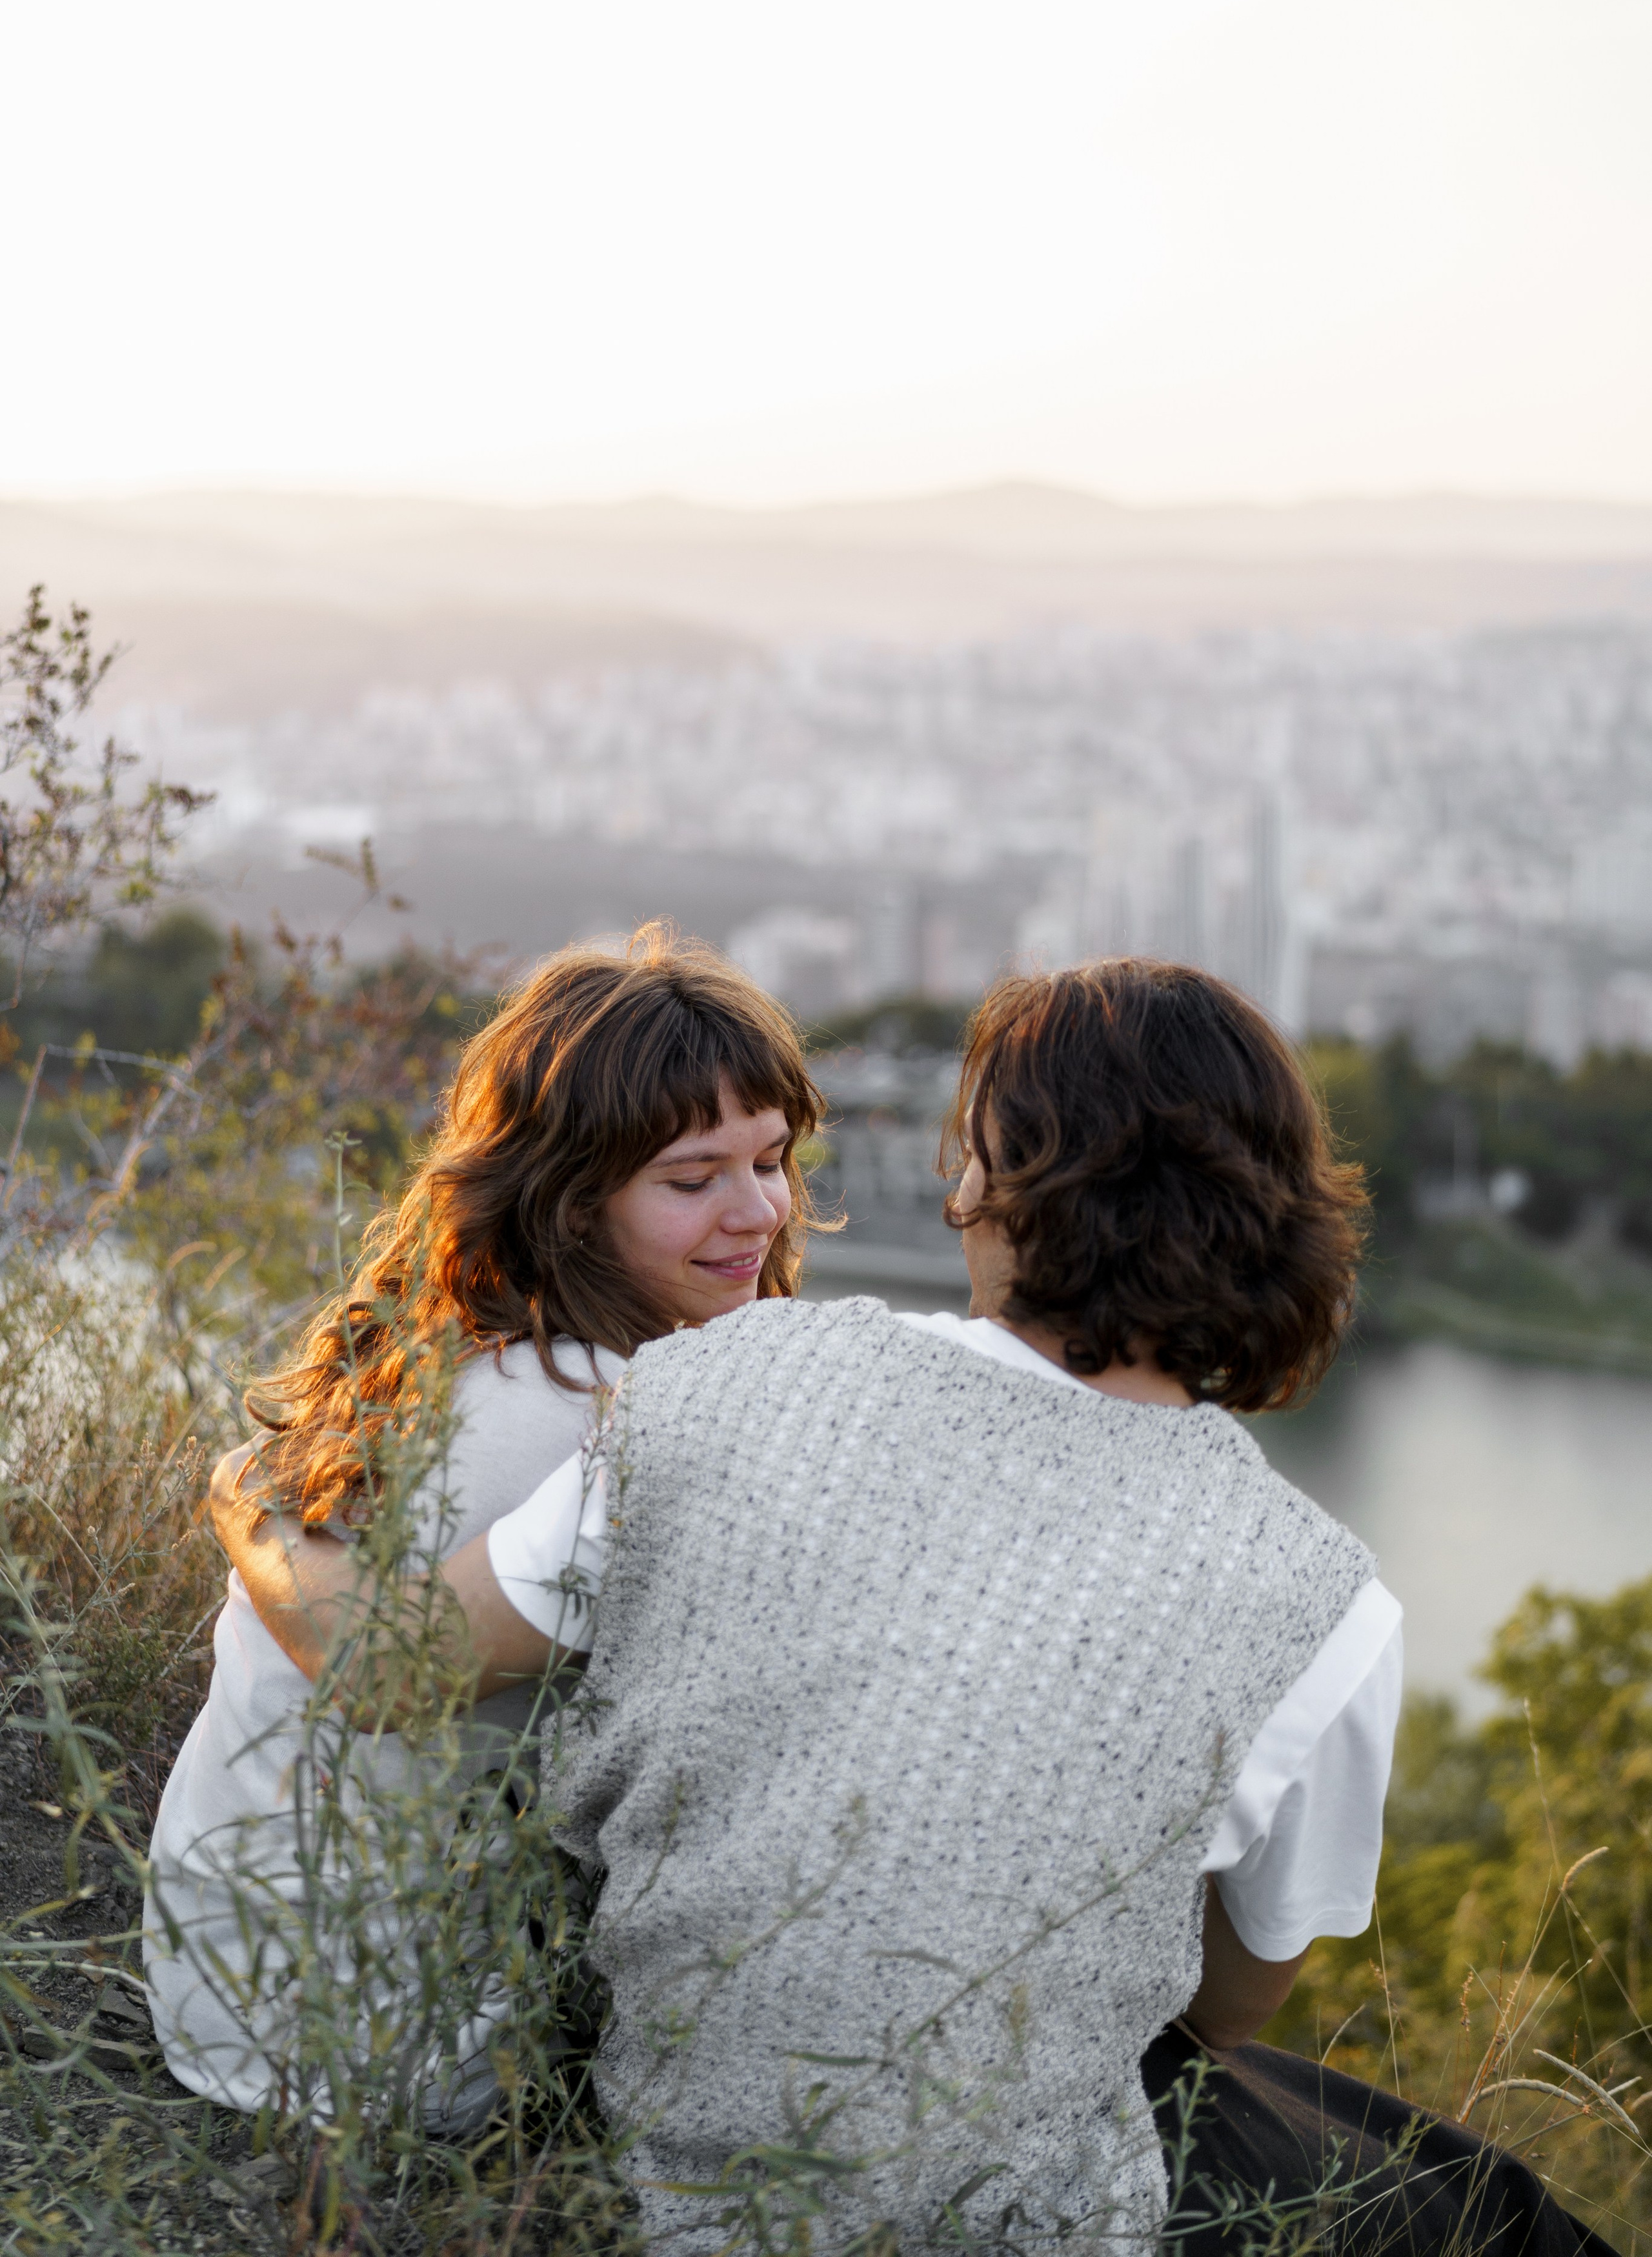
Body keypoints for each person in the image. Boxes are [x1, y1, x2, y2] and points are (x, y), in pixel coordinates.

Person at [219, 956, 1436, 2245]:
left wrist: (246, 1503)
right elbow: (1215, 2009)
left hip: (651, 2185)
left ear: (979, 1177)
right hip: (1009, 2218)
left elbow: (390, 1662)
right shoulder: (1333, 1613)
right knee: (1444, 2189)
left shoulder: (735, 1381)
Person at [144, 926, 824, 2126]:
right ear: (570, 1202)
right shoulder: (592, 1411)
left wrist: (242, 1494)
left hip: (230, 1979)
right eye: (692, 1178)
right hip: (383, 2051)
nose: (758, 1210)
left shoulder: (464, 1338)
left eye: (770, 1161)